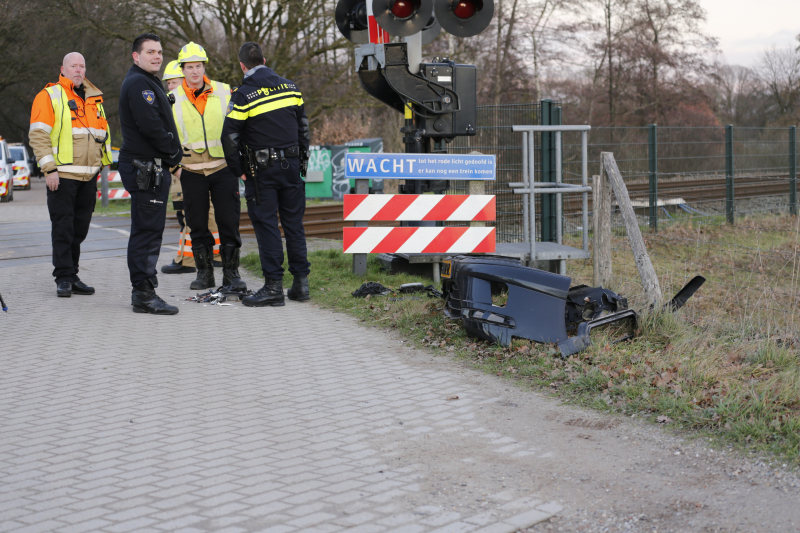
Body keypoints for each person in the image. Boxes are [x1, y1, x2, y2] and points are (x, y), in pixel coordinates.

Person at [222, 42, 310, 307]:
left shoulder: (243, 94)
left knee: (267, 225)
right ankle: (301, 285)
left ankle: (273, 287)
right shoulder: (291, 88)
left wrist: (239, 170)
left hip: (262, 172)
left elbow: (229, 137)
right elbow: (303, 128)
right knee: (294, 225)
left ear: (242, 65)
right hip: (292, 166)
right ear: (264, 59)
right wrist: (301, 159)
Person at [29, 52, 112, 298]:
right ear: (62, 69)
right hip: (62, 176)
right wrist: (49, 170)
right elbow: (39, 135)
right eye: (73, 66)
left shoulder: (94, 98)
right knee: (63, 228)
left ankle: (72, 274)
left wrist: (101, 164)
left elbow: (102, 134)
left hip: (88, 176)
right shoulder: (50, 96)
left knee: (80, 229)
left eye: (82, 66)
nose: (78, 70)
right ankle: (63, 277)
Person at [170, 42, 245, 290]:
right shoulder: (171, 99)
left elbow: (239, 128)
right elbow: (163, 136)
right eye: (190, 67)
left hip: (223, 168)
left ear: (204, 67)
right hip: (190, 171)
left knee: (228, 222)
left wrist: (238, 162)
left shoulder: (225, 91)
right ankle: (204, 274)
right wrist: (174, 167)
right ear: (183, 69)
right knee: (198, 224)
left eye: (198, 66)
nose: (194, 71)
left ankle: (231, 274)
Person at [118, 33, 182, 314]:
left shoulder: (147, 81)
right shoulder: (138, 84)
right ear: (136, 56)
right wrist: (174, 154)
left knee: (148, 230)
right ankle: (143, 294)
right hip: (146, 167)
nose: (157, 56)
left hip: (151, 166)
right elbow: (151, 126)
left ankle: (144, 291)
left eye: (159, 52)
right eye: (150, 52)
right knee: (146, 232)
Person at [159, 59, 223, 275]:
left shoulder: (190, 103)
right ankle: (190, 258)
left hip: (192, 169)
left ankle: (195, 259)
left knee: (194, 216)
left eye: (174, 82)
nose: (171, 87)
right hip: (183, 168)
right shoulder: (173, 104)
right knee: (186, 216)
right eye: (168, 83)